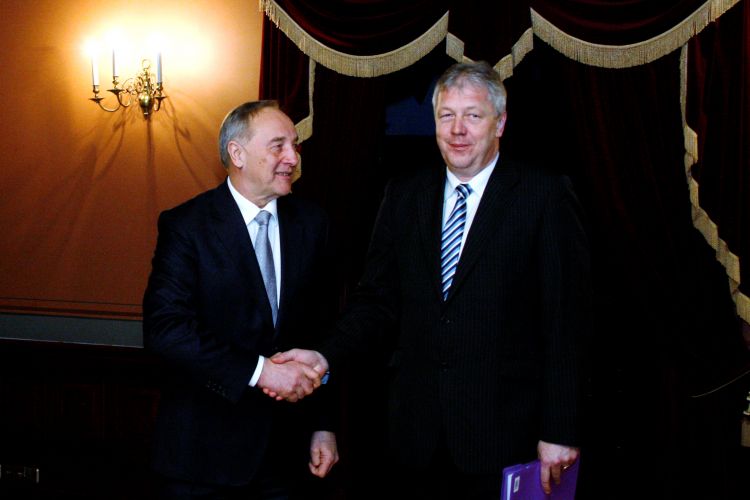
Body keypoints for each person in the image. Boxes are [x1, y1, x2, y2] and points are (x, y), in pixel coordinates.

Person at [270, 61, 592, 499]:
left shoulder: (544, 195)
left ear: (500, 123)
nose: (458, 129)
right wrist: (323, 356)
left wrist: (561, 428)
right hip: (414, 437)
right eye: (446, 115)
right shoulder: (404, 194)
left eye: (473, 116)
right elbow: (376, 301)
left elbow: (566, 320)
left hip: (505, 434)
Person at [143, 100, 339, 499]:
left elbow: (323, 331)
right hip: (202, 460)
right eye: (278, 146)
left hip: (286, 458)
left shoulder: (312, 223)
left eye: (295, 146)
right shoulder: (187, 226)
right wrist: (260, 371)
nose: (293, 158)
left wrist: (324, 425)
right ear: (237, 153)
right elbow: (166, 330)